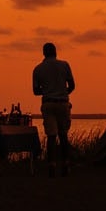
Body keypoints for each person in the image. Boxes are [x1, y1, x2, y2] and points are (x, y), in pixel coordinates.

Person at [32, 42, 75, 177]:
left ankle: (51, 165)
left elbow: (35, 91)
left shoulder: (38, 69)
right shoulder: (64, 65)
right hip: (62, 103)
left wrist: (47, 90)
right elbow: (72, 85)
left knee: (51, 136)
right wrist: (63, 92)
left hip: (48, 103)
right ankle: (66, 164)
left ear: (44, 53)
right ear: (55, 52)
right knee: (63, 135)